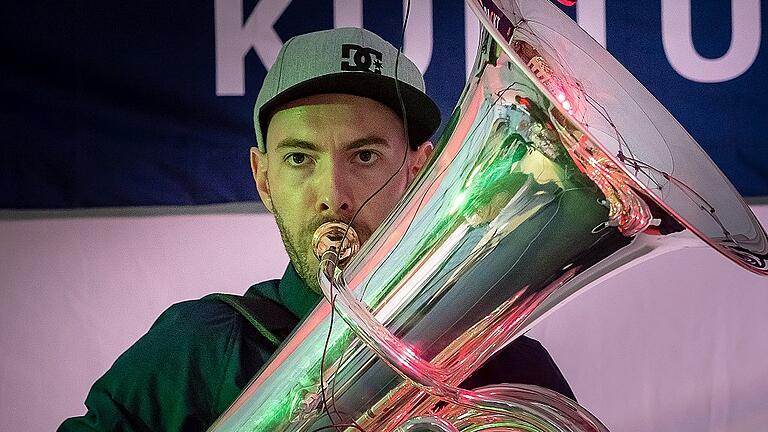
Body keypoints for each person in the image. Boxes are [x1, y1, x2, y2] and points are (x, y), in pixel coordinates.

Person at [59, 27, 573, 431]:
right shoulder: (199, 347)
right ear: (263, 178)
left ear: (420, 170)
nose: (335, 194)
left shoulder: (506, 366)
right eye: (301, 158)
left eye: (366, 155)